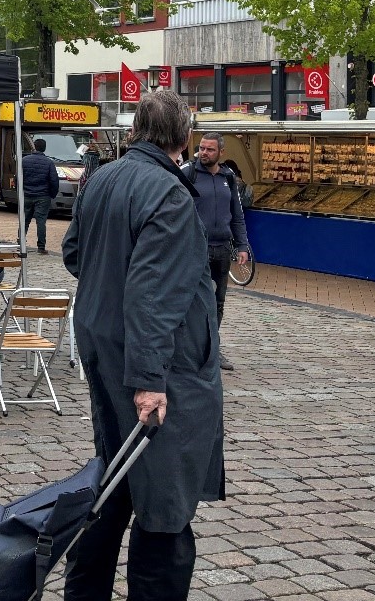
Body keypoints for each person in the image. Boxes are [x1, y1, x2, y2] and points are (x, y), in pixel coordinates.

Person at [61, 90, 224, 601]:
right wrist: (151, 382)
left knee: (112, 483)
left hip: (104, 346)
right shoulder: (169, 194)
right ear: (184, 137)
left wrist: (107, 287)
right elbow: (154, 294)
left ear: (135, 130)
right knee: (163, 500)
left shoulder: (103, 178)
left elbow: (74, 253)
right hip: (157, 364)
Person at [183, 132, 251, 372]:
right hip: (195, 249)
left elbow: (237, 214)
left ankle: (213, 348)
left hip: (222, 249)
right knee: (193, 300)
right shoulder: (188, 173)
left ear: (221, 152)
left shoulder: (228, 177)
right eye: (202, 148)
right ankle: (190, 348)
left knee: (217, 302)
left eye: (210, 149)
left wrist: (242, 245)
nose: (204, 153)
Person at [21, 137, 61, 253]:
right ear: (44, 149)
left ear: (34, 147)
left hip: (27, 194)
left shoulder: (24, 160)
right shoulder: (49, 163)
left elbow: (18, 177)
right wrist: (52, 194)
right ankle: (41, 247)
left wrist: (21, 191)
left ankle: (21, 243)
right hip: (43, 196)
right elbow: (54, 180)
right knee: (41, 221)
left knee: (24, 220)